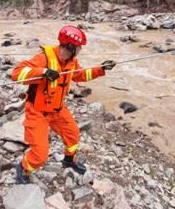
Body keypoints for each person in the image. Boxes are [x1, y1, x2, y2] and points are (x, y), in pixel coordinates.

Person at [11, 25, 116, 184]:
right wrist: (42, 72)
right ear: (70, 46)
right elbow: (17, 73)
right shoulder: (43, 58)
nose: (80, 49)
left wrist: (101, 69)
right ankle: (24, 168)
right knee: (40, 155)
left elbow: (81, 75)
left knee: (73, 133)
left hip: (57, 109)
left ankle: (69, 160)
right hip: (37, 112)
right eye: (79, 47)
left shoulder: (71, 61)